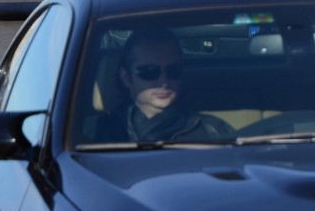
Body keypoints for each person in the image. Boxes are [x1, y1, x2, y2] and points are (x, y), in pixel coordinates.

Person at [93, 29, 234, 142]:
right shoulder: (101, 133)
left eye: (173, 71)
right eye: (150, 72)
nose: (164, 82)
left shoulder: (212, 130)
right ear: (126, 78)